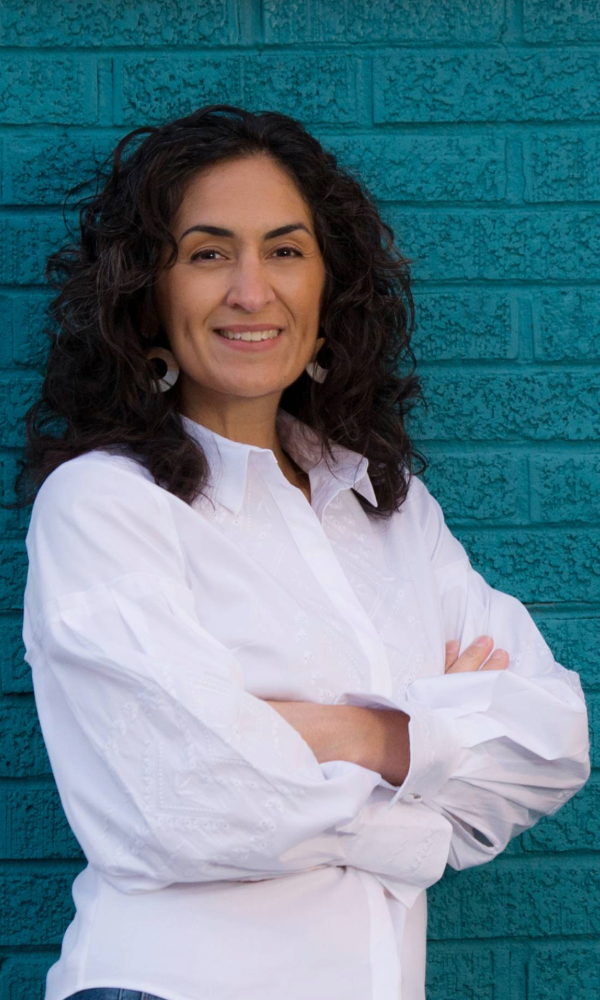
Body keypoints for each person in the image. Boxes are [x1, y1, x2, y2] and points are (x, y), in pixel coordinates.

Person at [10, 105, 590, 1000]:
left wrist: (331, 734)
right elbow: (183, 798)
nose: (251, 291)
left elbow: (552, 740)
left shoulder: (387, 506)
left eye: (285, 250)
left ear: (329, 286)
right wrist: (420, 775)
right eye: (208, 253)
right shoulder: (104, 504)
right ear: (147, 294)